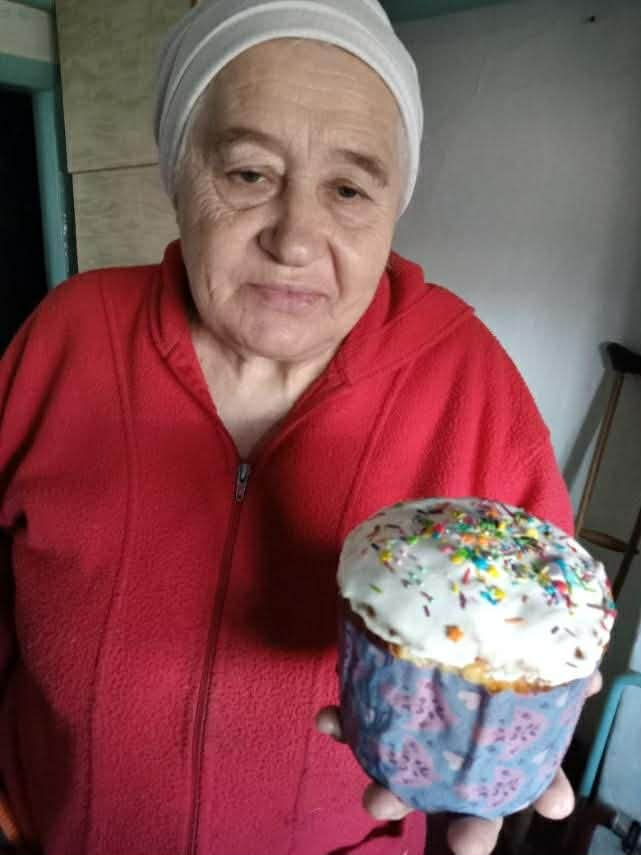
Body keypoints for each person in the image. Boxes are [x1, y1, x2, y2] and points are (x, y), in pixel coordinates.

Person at [0, 1, 599, 853]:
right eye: (248, 173)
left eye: (349, 188)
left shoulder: (471, 382)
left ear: (395, 202)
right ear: (179, 173)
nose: (294, 238)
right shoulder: (68, 336)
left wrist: (518, 741)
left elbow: (550, 624)